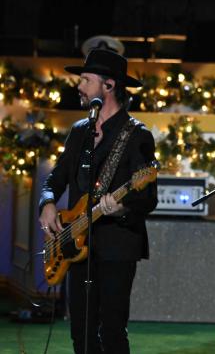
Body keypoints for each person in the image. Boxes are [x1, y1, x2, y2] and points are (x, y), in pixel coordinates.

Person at [38, 49, 158, 354]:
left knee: (113, 332)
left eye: (85, 80)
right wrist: (48, 203)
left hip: (117, 246)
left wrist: (121, 208)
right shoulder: (79, 131)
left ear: (109, 86)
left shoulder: (136, 135)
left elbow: (147, 197)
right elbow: (55, 179)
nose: (79, 86)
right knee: (81, 331)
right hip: (75, 244)